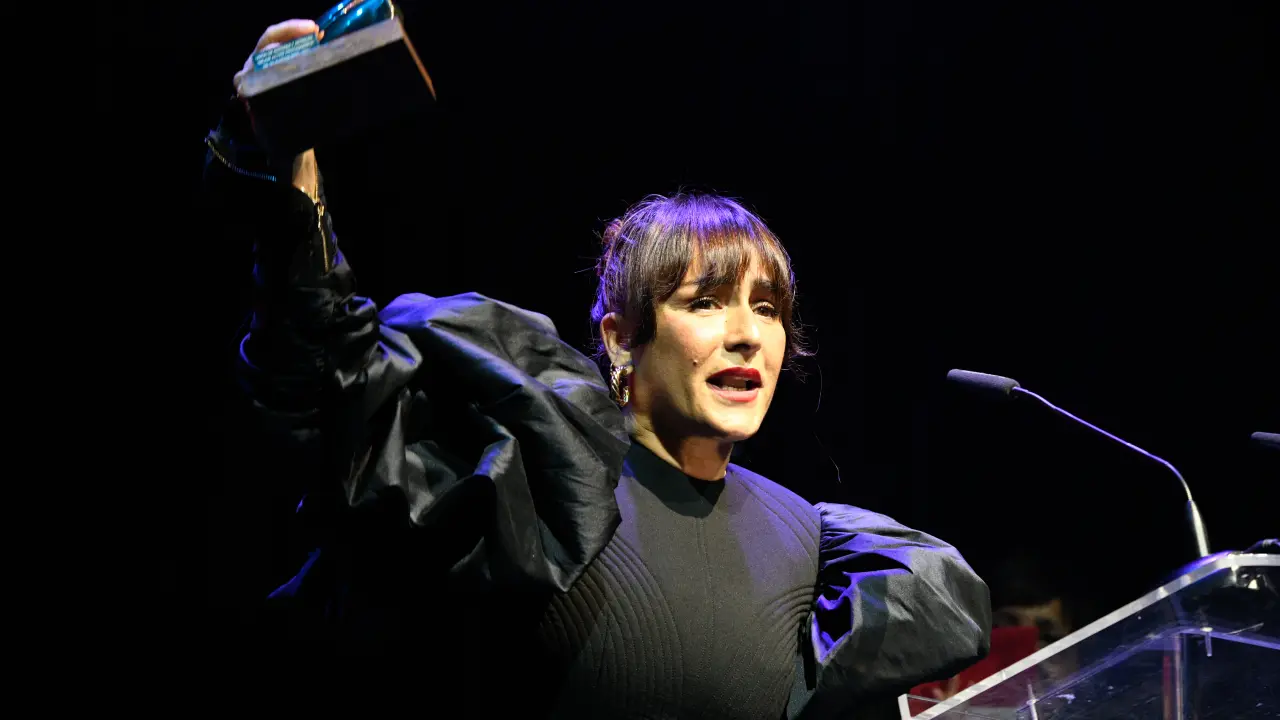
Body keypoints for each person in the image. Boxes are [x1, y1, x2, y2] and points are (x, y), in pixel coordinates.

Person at [205, 18, 991, 719]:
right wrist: (288, 180)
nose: (749, 336)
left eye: (768, 308)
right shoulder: (531, 485)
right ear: (620, 338)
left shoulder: (813, 545)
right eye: (706, 303)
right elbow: (332, 390)